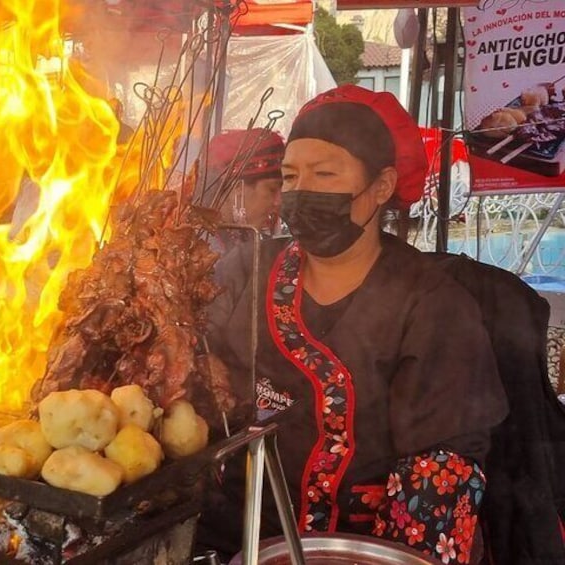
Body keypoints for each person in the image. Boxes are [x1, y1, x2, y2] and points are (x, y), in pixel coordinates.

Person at [197, 85, 509, 564]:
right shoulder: (244, 270)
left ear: (380, 186)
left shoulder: (431, 305)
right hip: (234, 539)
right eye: (290, 175)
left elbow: (440, 470)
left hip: (366, 549)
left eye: (324, 173)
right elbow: (192, 381)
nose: (301, 191)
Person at [200, 128, 285, 252]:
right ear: (238, 187)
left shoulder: (248, 236)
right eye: (271, 190)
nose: (278, 202)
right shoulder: (196, 242)